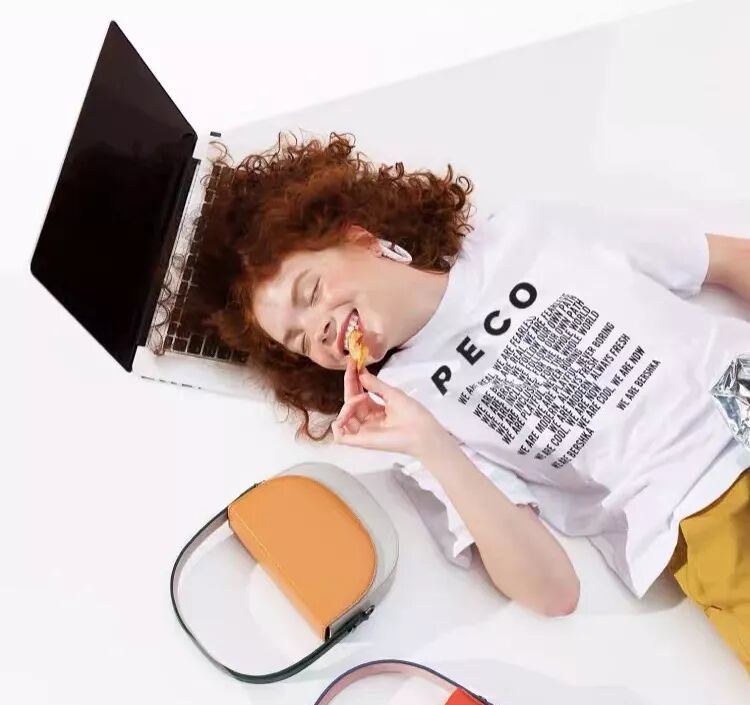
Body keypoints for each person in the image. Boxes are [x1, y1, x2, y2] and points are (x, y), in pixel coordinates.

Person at [190, 131, 750, 671]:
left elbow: (725, 261)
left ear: (362, 240)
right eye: (301, 340)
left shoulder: (530, 231)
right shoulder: (408, 413)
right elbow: (553, 592)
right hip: (702, 513)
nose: (320, 329)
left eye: (311, 292)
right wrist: (430, 444)